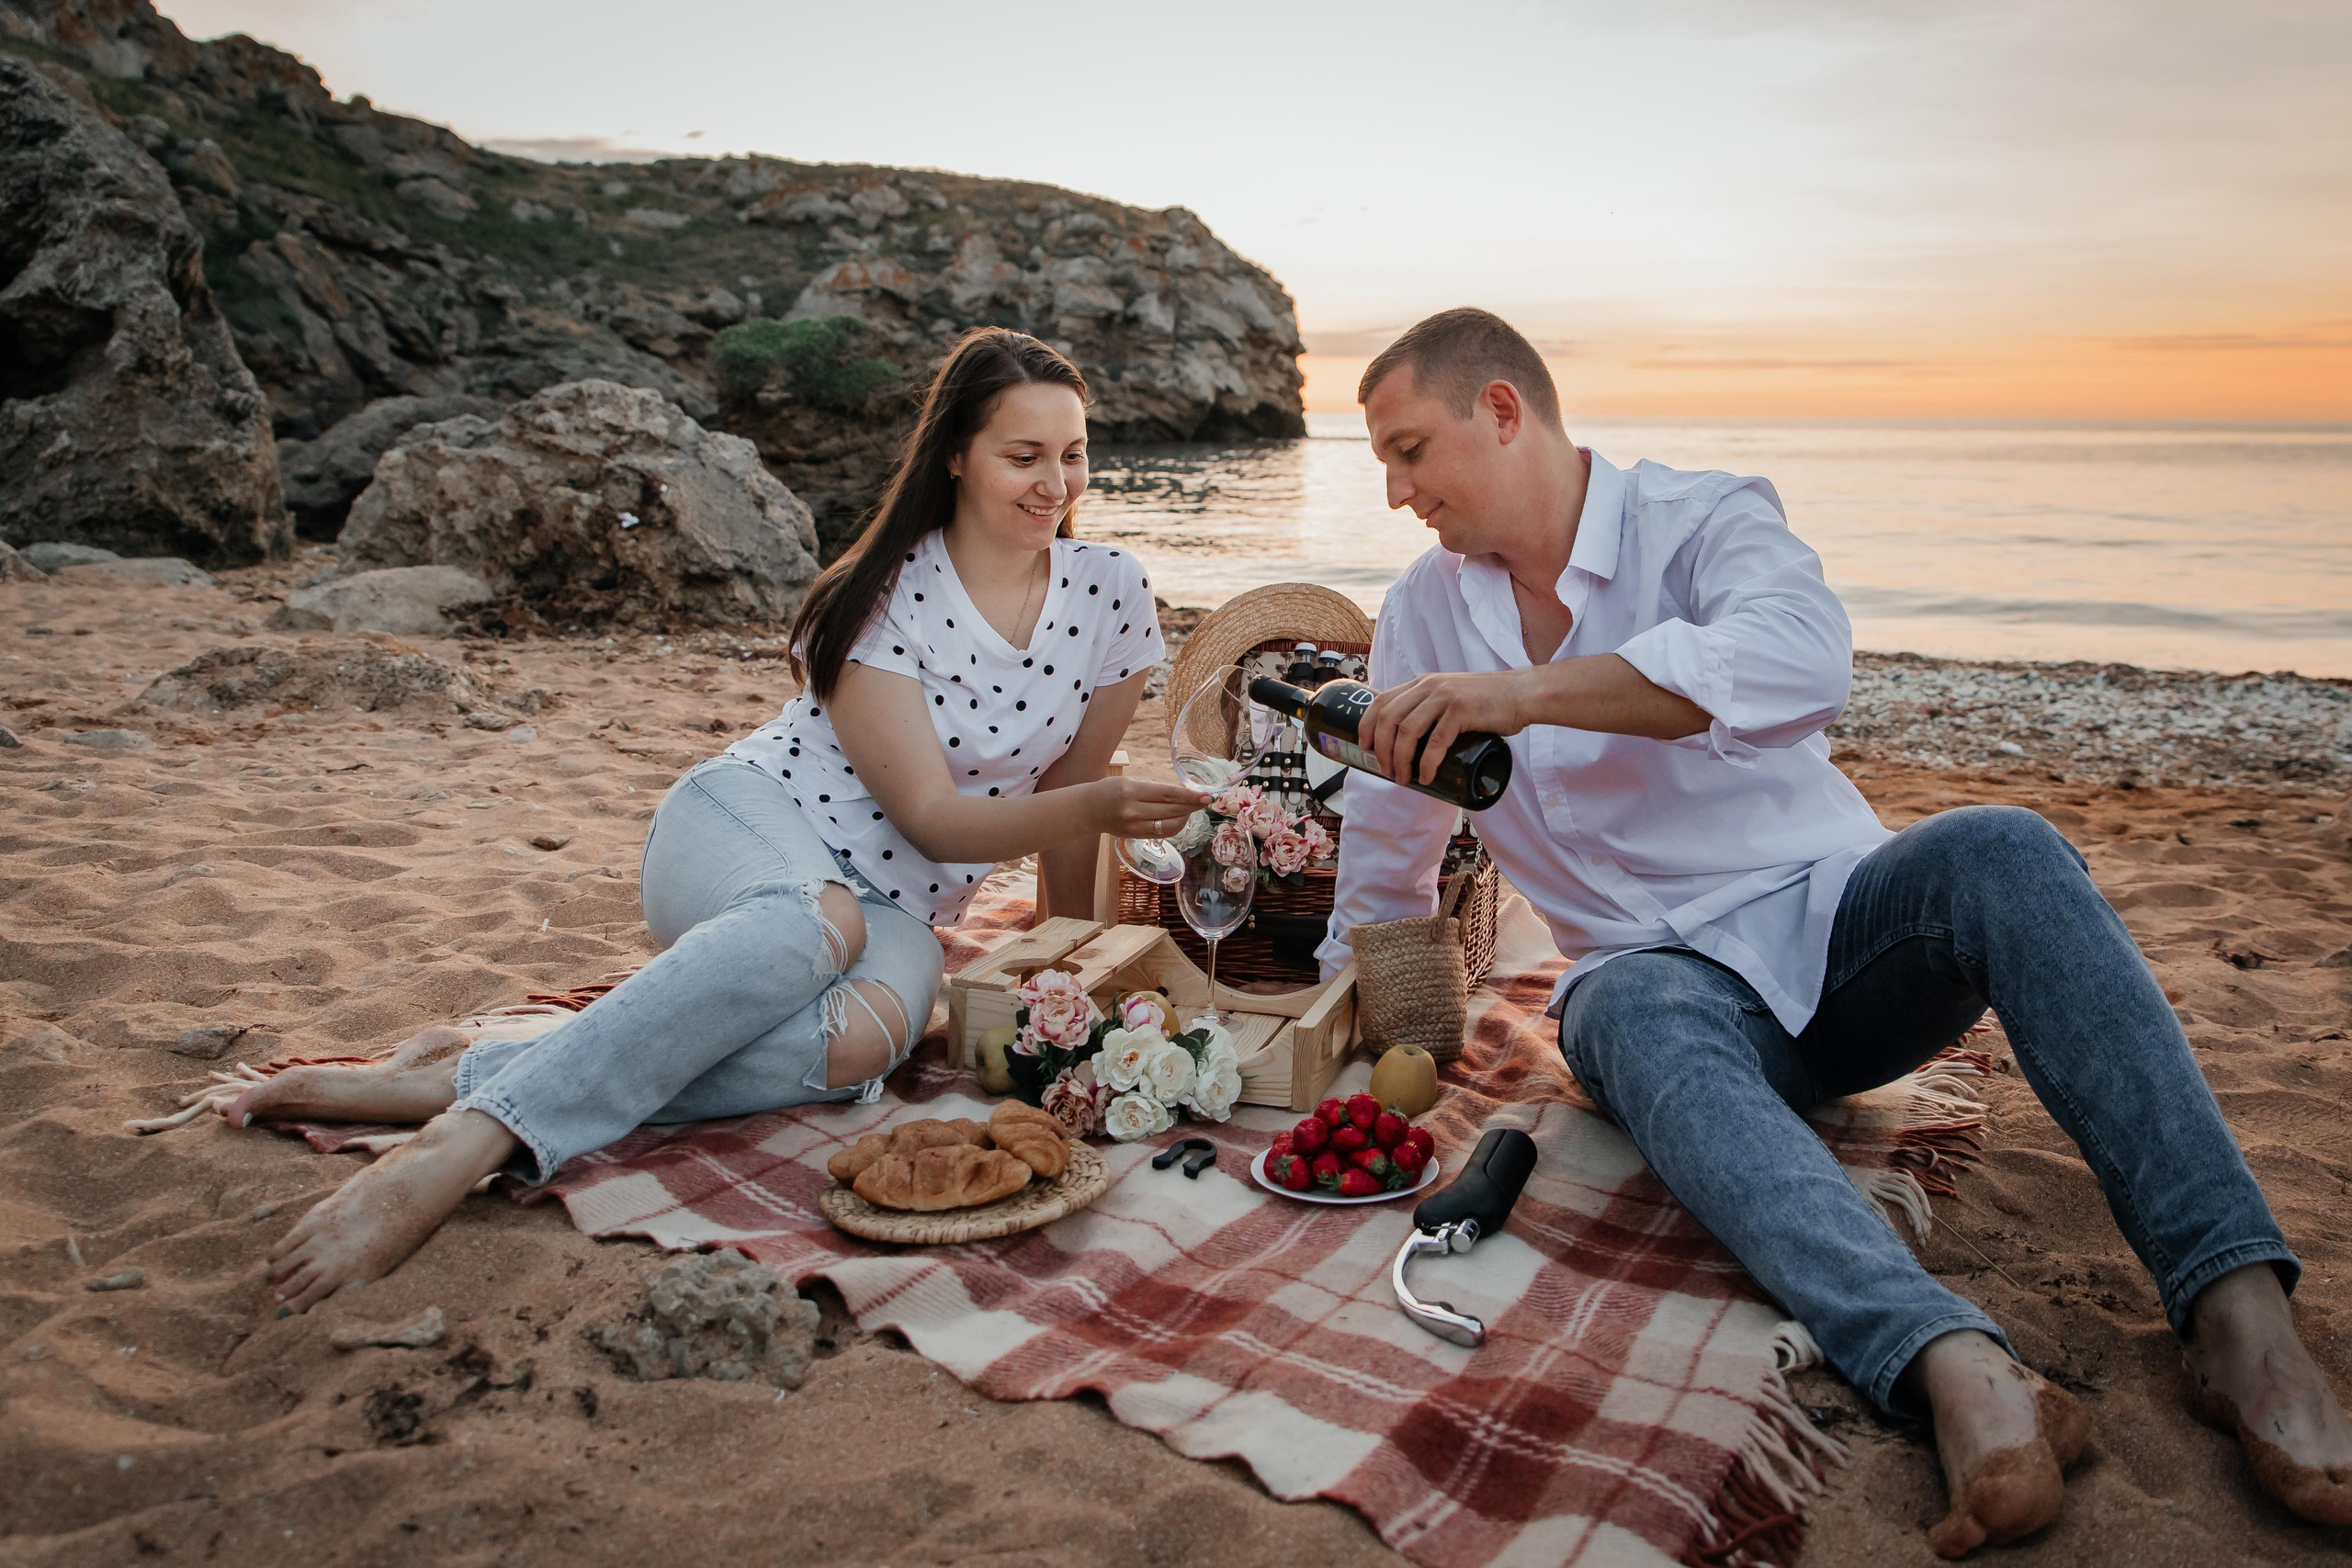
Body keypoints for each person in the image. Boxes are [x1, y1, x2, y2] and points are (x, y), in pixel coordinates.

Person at [1318, 308, 2352, 1552]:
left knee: (2007, 847)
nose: (1394, 490)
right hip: (1662, 1004)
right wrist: (1349, 998)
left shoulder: (1697, 517)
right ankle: (1955, 1360)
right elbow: (1387, 827)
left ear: (1500, 409)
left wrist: (1522, 693)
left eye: (1410, 448)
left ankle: (2239, 1314)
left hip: (1843, 949)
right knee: (1618, 1000)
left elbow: (1803, 657)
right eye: (1382, 459)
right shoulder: (1422, 609)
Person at [229, 329, 1204, 1314]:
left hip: (897, 905)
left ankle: (470, 1074)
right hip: (751, 825)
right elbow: (937, 817)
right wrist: (1102, 804)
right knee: (811, 924)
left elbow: (1070, 795)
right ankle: (472, 1136)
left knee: (862, 1048)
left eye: (1073, 453)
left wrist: (1064, 957)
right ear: (956, 453)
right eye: (1024, 455)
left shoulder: (1112, 592)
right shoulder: (876, 600)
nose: (1056, 483)